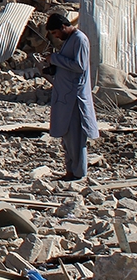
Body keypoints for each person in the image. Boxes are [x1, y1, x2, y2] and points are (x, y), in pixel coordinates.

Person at [44, 13, 98, 181]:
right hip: (65, 97)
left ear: (63, 27)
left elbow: (80, 66)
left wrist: (55, 58)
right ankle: (70, 171)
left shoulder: (80, 39)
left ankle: (78, 173)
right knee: (67, 137)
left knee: (75, 137)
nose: (56, 36)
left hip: (75, 98)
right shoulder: (69, 40)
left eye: (55, 32)